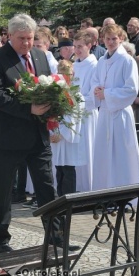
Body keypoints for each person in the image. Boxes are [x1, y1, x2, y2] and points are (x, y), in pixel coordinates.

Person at [0, 13, 77, 253]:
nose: (27, 43)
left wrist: (54, 108)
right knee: (3, 191)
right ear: (10, 35)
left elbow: (49, 87)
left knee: (48, 188)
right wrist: (29, 109)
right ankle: (0, 239)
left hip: (38, 136)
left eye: (30, 38)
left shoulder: (40, 55)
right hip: (8, 137)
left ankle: (57, 237)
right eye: (21, 38)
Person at [91, 24, 139, 196]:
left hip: (120, 114)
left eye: (114, 38)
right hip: (105, 114)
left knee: (121, 156)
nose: (111, 42)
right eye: (107, 38)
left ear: (121, 38)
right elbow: (95, 82)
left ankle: (126, 196)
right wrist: (97, 90)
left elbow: (131, 90)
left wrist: (106, 93)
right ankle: (104, 194)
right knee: (104, 155)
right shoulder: (101, 61)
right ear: (103, 40)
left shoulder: (127, 60)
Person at [50, 60, 83, 196]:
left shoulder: (76, 94)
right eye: (61, 74)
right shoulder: (54, 94)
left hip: (67, 137)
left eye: (67, 74)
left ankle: (69, 199)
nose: (64, 77)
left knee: (68, 169)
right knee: (59, 168)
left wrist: (61, 134)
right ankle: (60, 198)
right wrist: (52, 131)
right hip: (56, 135)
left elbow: (74, 117)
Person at [73, 31, 98, 192]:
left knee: (88, 152)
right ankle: (77, 187)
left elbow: (93, 96)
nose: (77, 50)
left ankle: (89, 187)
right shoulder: (74, 64)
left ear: (89, 45)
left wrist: (77, 99)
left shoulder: (95, 65)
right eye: (75, 46)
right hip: (74, 116)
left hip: (87, 115)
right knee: (76, 153)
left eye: (80, 46)